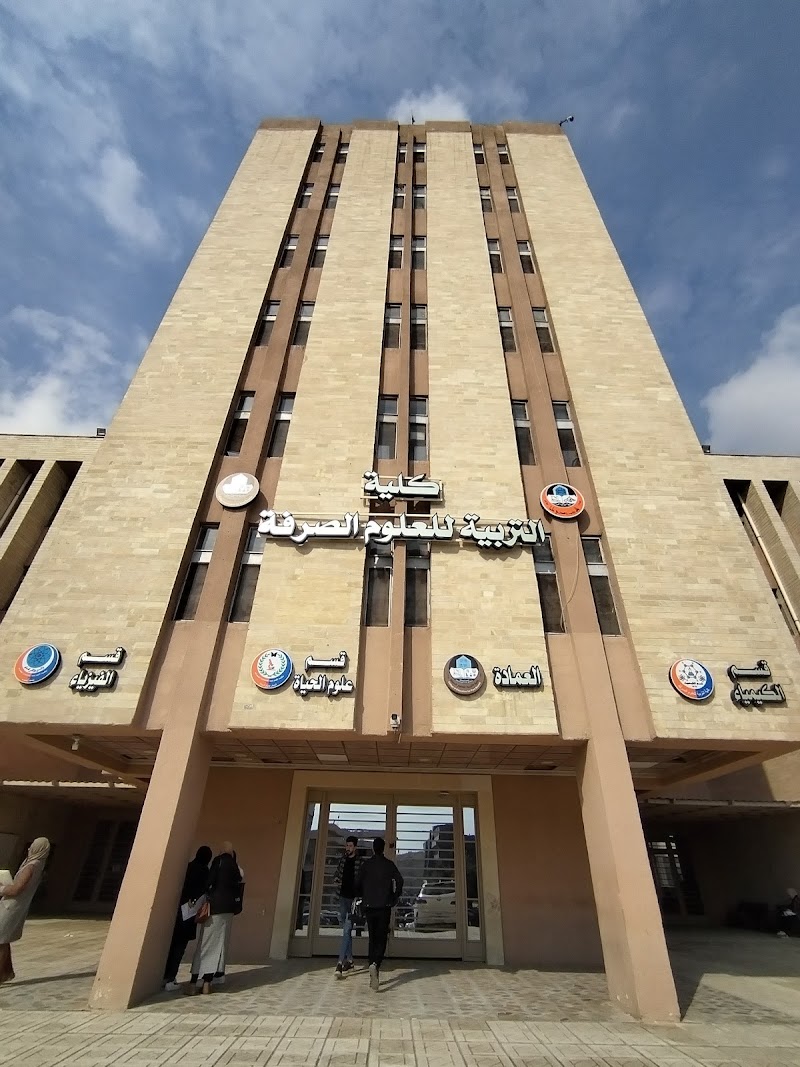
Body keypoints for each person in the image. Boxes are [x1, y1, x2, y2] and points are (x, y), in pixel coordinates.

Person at [186, 842, 243, 995]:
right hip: (228, 910)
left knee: (205, 944)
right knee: (218, 945)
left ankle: (193, 982)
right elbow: (239, 881)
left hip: (215, 907)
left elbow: (209, 881)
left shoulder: (219, 861)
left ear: (222, 851)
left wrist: (199, 896)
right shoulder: (235, 867)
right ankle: (207, 982)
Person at [355, 837, 403, 991]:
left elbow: (357, 883)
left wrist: (363, 896)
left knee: (372, 938)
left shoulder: (366, 865)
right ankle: (376, 964)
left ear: (373, 848)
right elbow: (400, 880)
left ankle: (372, 967)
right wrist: (394, 896)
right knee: (381, 938)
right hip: (384, 906)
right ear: (383, 849)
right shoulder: (389, 865)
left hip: (369, 905)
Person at [0, 838, 51, 985]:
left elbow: (16, 889)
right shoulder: (38, 864)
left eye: (33, 847)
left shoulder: (31, 866)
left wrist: (1, 888)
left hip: (10, 908)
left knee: (1, 941)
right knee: (4, 939)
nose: (29, 849)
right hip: (14, 907)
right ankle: (7, 972)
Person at [163, 845, 212, 991]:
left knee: (172, 945)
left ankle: (165, 976)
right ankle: (170, 978)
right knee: (179, 947)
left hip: (179, 911)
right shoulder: (204, 871)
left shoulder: (188, 867)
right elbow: (205, 889)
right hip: (190, 913)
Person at [333, 835, 361, 978]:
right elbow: (336, 874)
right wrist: (336, 879)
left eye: (350, 846)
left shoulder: (359, 862)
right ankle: (350, 960)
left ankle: (340, 963)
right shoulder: (342, 860)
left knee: (346, 930)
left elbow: (361, 881)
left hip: (353, 900)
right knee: (346, 930)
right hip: (342, 897)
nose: (348, 848)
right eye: (347, 845)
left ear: (355, 847)